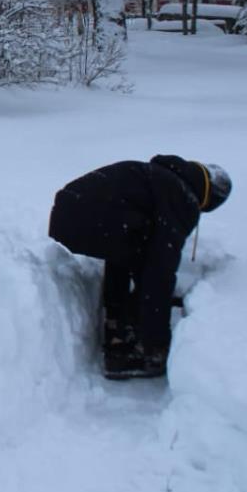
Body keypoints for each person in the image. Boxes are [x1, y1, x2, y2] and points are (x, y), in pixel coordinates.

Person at [48, 155, 232, 379]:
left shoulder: (160, 177)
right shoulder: (181, 198)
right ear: (209, 199)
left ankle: (118, 324)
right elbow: (160, 271)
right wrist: (159, 343)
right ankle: (143, 346)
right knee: (146, 263)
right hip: (93, 220)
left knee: (129, 249)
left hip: (67, 213)